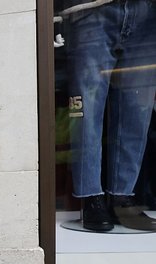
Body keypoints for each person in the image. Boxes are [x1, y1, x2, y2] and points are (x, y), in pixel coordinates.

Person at [60, 0, 156, 232]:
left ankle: (122, 196)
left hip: (146, 10)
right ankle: (90, 195)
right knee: (87, 109)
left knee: (137, 109)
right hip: (89, 8)